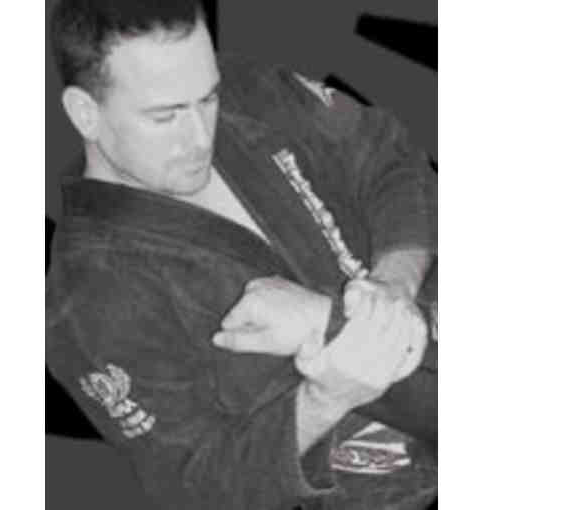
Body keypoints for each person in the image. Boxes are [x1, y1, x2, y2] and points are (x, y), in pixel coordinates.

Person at [46, 1, 438, 509]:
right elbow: (197, 484)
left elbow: (388, 157)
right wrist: (324, 399)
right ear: (85, 113)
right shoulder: (87, 301)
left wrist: (394, 283)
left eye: (207, 98)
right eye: (164, 116)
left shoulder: (248, 86)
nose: (199, 137)